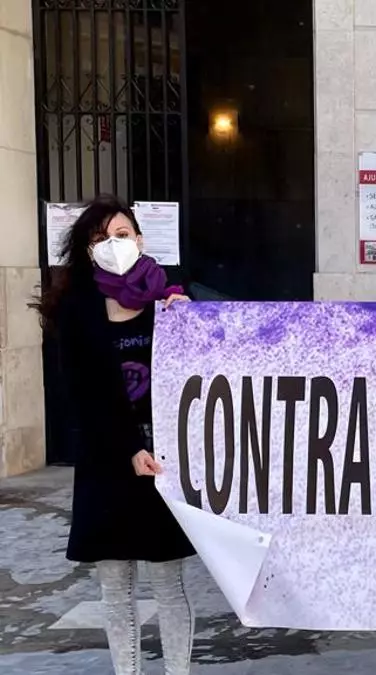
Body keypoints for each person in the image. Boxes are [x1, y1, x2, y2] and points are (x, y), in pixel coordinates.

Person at [32, 195, 196, 675]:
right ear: (88, 249)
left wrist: (192, 322)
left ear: (140, 240)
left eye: (121, 234)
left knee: (169, 584)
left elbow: (200, 377)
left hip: (163, 461)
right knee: (116, 586)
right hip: (107, 460)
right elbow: (80, 395)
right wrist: (127, 449)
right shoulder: (76, 310)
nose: (113, 244)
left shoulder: (169, 304)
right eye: (100, 238)